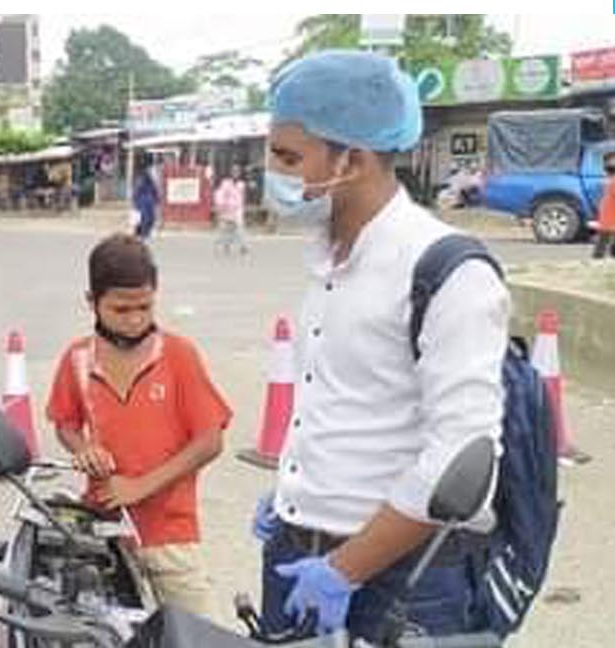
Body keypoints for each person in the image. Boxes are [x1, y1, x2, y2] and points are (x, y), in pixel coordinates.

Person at [248, 50, 513, 640]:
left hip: (400, 581)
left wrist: (343, 571)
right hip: (299, 554)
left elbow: (459, 460)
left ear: (355, 159)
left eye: (289, 157)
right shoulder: (329, 258)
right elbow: (346, 401)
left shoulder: (446, 270)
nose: (274, 172)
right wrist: (296, 492)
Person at [46, 233, 233, 621]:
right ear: (91, 302)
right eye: (120, 309)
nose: (134, 320)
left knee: (196, 632)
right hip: (104, 530)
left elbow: (209, 441)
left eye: (144, 307)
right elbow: (64, 422)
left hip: (170, 534)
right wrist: (82, 448)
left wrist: (140, 486)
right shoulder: (77, 360)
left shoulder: (179, 355)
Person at [594, 151, 615, 258]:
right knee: (607, 238)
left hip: (614, 215)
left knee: (609, 237)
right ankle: (614, 252)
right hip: (612, 216)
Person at [213, 170, 250, 256]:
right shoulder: (226, 183)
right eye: (234, 172)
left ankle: (243, 246)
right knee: (227, 229)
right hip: (227, 209)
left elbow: (241, 197)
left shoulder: (241, 184)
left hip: (237, 209)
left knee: (240, 227)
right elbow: (220, 194)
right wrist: (220, 207)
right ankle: (227, 244)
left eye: (237, 172)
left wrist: (240, 207)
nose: (236, 174)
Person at [133, 165, 161, 240]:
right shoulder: (141, 182)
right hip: (142, 203)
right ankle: (142, 233)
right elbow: (136, 193)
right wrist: (136, 204)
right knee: (143, 219)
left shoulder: (152, 183)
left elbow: (156, 193)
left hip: (149, 203)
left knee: (151, 218)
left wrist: (157, 201)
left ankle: (146, 232)